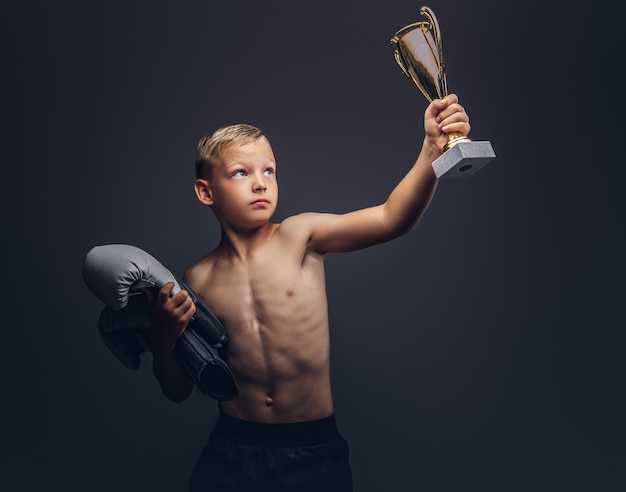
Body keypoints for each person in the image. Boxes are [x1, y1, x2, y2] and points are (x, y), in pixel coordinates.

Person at [147, 94, 471, 491]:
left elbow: (391, 218)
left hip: (312, 449)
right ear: (205, 191)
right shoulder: (197, 278)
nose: (260, 182)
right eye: (240, 173)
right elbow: (178, 389)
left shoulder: (300, 236)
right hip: (233, 447)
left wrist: (430, 151)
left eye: (269, 170)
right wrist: (163, 337)